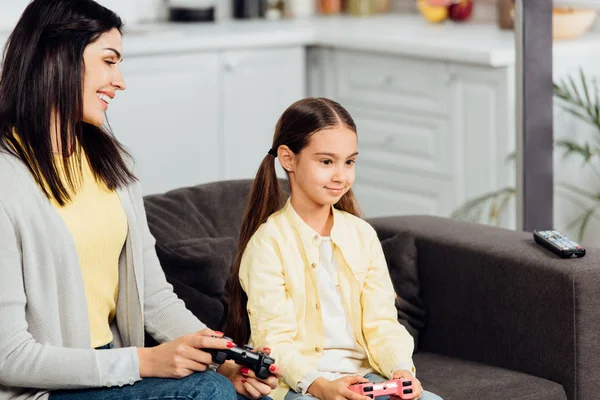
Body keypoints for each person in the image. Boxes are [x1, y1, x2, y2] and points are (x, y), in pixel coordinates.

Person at [0, 1, 277, 399]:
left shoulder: (113, 163)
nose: (120, 81)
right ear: (55, 54)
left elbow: (154, 298)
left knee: (220, 385)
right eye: (109, 61)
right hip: (45, 388)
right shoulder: (8, 182)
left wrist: (227, 360)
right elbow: (10, 356)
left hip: (113, 366)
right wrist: (143, 362)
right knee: (203, 393)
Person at [225, 97, 444, 400]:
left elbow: (382, 323)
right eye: (326, 162)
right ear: (288, 159)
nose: (341, 176)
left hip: (364, 378)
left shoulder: (362, 235)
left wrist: (401, 372)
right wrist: (321, 386)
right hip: (298, 385)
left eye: (349, 161)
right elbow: (274, 341)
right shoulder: (268, 243)